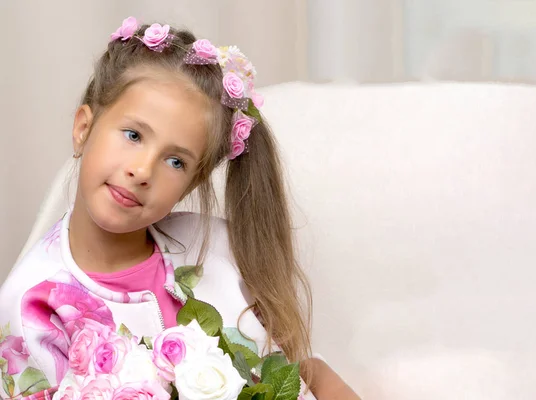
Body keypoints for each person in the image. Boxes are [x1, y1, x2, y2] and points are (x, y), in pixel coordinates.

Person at [0, 17, 359, 399]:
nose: (141, 171)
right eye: (133, 135)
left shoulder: (219, 253)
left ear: (193, 183)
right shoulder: (32, 305)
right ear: (83, 128)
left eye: (175, 161)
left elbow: (301, 374)